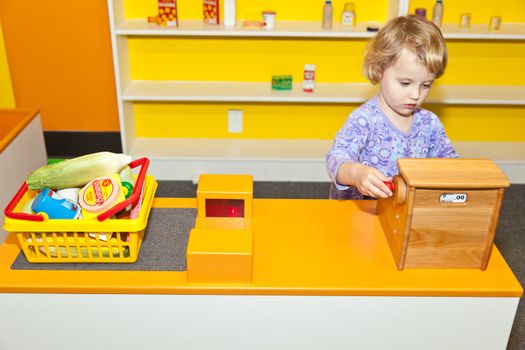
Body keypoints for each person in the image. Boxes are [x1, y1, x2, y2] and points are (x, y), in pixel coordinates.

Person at [326, 14, 457, 200]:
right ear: (379, 70)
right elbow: (335, 160)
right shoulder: (364, 120)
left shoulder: (430, 123)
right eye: (405, 83)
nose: (416, 94)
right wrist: (356, 173)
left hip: (405, 210)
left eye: (426, 85)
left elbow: (450, 163)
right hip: (361, 211)